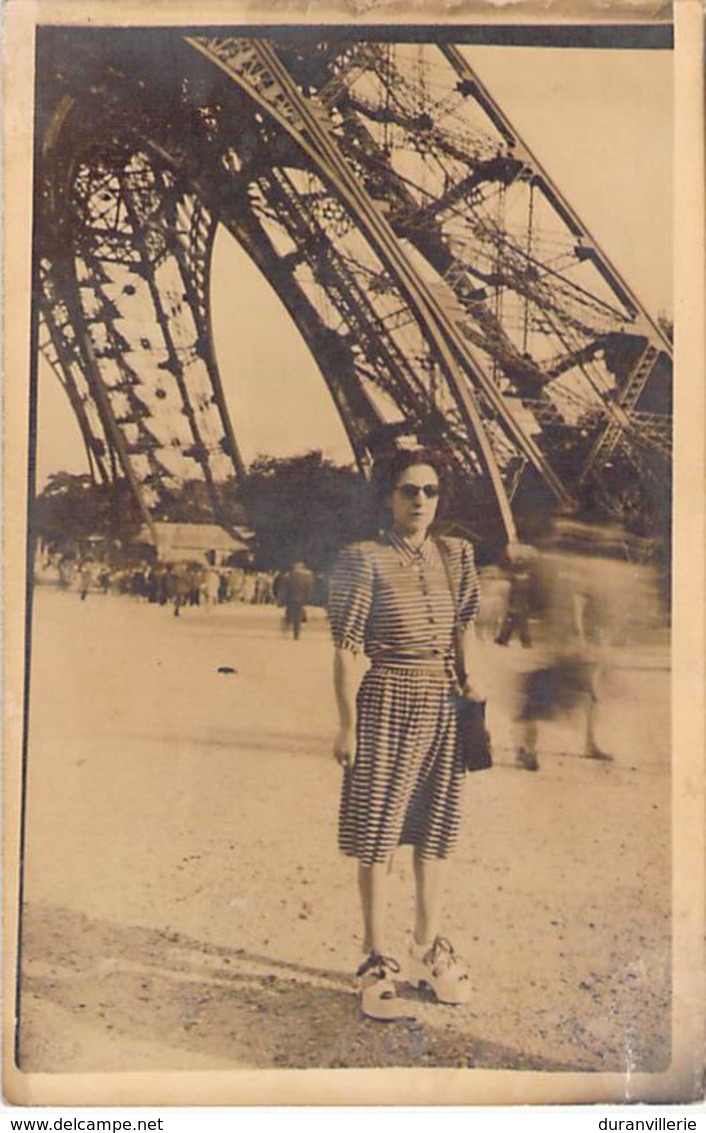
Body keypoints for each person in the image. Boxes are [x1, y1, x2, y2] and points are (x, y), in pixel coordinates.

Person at [328, 448, 482, 1020]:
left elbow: (464, 631)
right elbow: (346, 651)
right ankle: (375, 957)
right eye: (408, 490)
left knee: (436, 828)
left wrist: (469, 689)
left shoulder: (456, 556)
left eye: (430, 491)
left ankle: (426, 946)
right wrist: (347, 726)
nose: (420, 500)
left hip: (442, 701)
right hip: (387, 699)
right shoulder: (361, 559)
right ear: (387, 498)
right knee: (379, 828)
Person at [279, 561, 316, 640]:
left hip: (290, 599)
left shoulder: (288, 576)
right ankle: (296, 633)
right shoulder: (307, 577)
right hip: (301, 600)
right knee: (298, 617)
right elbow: (309, 589)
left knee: (289, 613)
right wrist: (308, 599)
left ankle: (287, 626)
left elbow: (284, 589)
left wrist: (281, 600)